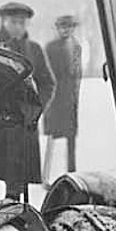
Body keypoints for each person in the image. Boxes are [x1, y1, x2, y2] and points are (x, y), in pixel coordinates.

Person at [0, 2, 56, 200]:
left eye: (22, 23)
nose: (18, 27)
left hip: (22, 124)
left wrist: (34, 109)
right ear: (3, 21)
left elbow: (47, 83)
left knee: (17, 179)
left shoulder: (34, 49)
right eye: (13, 22)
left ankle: (14, 210)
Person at [42, 14, 83, 181]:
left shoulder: (76, 46)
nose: (66, 30)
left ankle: (72, 174)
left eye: (70, 27)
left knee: (71, 137)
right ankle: (47, 176)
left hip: (70, 99)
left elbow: (77, 72)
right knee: (53, 136)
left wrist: (75, 94)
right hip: (55, 99)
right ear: (58, 29)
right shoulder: (50, 48)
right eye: (63, 27)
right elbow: (46, 74)